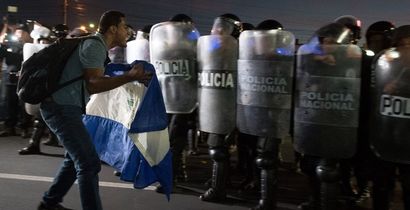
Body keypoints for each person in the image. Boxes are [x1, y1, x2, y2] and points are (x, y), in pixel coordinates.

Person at [37, 10, 152, 210]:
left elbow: (94, 79)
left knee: (74, 160)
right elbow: (93, 83)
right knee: (89, 164)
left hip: (66, 107)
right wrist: (129, 77)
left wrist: (130, 77)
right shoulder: (94, 45)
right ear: (113, 28)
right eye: (125, 27)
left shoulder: (97, 47)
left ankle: (49, 204)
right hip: (60, 108)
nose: (128, 31)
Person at [0, 22, 33, 138]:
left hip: (24, 78)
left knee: (23, 104)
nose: (19, 34)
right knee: (9, 102)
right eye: (17, 32)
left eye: (22, 32)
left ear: (26, 33)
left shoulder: (30, 45)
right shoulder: (8, 45)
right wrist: (1, 44)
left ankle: (24, 127)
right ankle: (10, 127)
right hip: (9, 77)